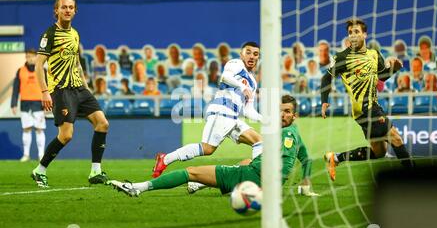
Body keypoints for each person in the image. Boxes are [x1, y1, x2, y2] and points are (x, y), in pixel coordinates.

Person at [110, 95, 318, 197]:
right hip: (259, 179)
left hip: (251, 178)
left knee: (191, 171)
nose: (283, 115)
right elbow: (306, 159)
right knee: (246, 160)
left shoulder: (283, 133)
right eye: (280, 111)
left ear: (294, 115)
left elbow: (278, 157)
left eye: (287, 112)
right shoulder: (296, 134)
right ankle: (202, 184)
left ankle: (138, 188)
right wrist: (305, 185)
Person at [152, 42, 263, 179]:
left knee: (259, 140)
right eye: (248, 52)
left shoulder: (253, 81)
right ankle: (166, 159)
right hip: (221, 111)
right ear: (241, 54)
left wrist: (266, 119)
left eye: (255, 54)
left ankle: (257, 175)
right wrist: (242, 87)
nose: (252, 56)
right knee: (207, 148)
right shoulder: (235, 64)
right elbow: (225, 77)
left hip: (233, 117)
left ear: (258, 57)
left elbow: (248, 110)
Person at [321, 18, 414, 182]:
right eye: (350, 33)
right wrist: (324, 100)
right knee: (396, 138)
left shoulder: (374, 54)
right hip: (365, 109)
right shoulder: (343, 57)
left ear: (365, 34)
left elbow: (381, 79)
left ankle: (335, 158)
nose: (353, 35)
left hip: (371, 107)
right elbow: (326, 78)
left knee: (379, 152)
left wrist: (394, 69)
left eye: (356, 32)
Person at [31, 0, 110, 188]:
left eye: (70, 7)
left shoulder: (75, 34)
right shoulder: (50, 34)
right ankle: (39, 170)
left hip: (79, 88)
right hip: (61, 89)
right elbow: (38, 65)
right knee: (66, 135)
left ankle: (95, 171)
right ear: (56, 11)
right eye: (63, 7)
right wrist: (44, 91)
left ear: (75, 11)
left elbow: (76, 62)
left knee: (102, 123)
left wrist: (86, 86)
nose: (67, 10)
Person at [10, 49, 46, 162]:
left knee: (39, 129)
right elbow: (16, 88)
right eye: (28, 56)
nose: (30, 58)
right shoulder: (20, 71)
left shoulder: (42, 70)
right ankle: (26, 155)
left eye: (32, 56)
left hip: (39, 103)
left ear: (36, 57)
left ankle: (41, 155)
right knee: (26, 129)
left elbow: (49, 88)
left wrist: (50, 104)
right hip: (25, 103)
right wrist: (13, 104)